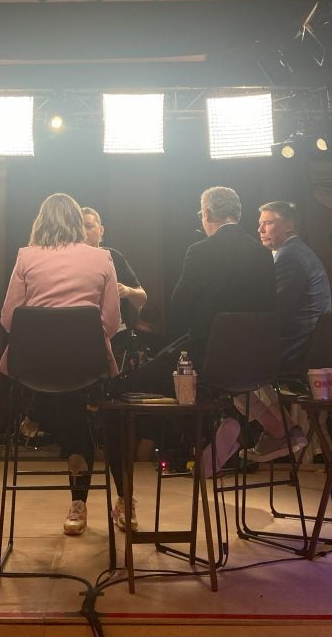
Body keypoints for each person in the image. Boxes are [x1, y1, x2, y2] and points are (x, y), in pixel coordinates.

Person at [108, 186, 277, 532]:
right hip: (253, 364)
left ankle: (128, 495)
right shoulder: (263, 255)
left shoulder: (200, 251)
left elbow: (179, 309)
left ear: (207, 215)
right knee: (181, 379)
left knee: (123, 389)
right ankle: (221, 415)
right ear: (238, 214)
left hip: (204, 359)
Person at [0, 192, 121, 537]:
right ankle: (79, 493)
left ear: (40, 221)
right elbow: (110, 324)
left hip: (34, 367)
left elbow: (9, 320)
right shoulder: (102, 258)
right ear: (77, 223)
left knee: (59, 393)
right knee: (74, 394)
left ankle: (38, 415)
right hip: (86, 366)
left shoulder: (25, 257)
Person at [244, 200, 332, 463]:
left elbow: (277, 311)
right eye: (260, 224)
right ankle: (281, 431)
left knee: (228, 367)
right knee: (240, 361)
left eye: (269, 223)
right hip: (307, 345)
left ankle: (280, 432)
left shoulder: (289, 256)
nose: (261, 229)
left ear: (289, 225)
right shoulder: (298, 252)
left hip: (297, 349)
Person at [82, 206, 147, 370]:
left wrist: (128, 290)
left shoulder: (114, 257)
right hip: (80, 332)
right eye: (78, 227)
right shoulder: (68, 261)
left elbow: (142, 297)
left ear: (101, 230)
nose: (83, 232)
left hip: (116, 334)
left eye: (88, 226)